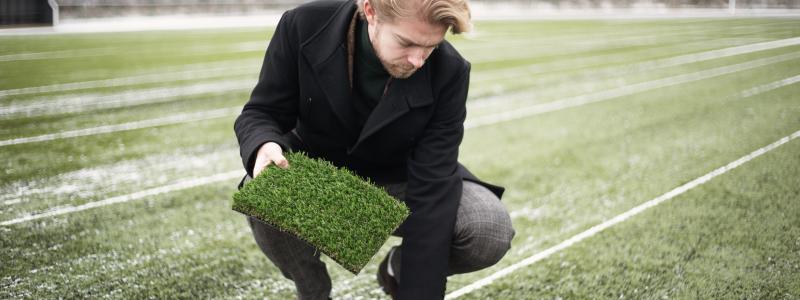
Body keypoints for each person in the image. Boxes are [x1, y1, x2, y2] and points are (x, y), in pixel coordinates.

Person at [233, 0, 515, 299]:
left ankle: (396, 269)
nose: (419, 60)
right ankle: (313, 290)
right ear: (370, 12)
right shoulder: (303, 25)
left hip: (402, 180)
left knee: (489, 229)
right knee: (265, 182)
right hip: (319, 179)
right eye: (406, 43)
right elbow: (262, 112)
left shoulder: (451, 70)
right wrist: (264, 144)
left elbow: (433, 184)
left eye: (431, 46)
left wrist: (415, 290)